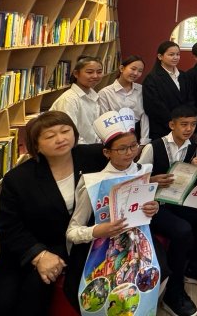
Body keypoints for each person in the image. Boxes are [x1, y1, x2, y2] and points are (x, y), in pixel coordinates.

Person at [0, 112, 107, 316]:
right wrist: (39, 255)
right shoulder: (19, 179)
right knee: (1, 299)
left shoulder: (95, 156)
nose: (60, 138)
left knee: (35, 289)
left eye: (65, 131)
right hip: (35, 243)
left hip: (82, 241)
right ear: (36, 145)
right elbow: (8, 226)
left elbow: (128, 160)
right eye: (50, 136)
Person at [64, 111, 161, 312]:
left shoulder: (142, 171)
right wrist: (97, 231)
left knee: (156, 275)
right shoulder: (94, 183)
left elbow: (144, 208)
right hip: (101, 247)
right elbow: (72, 232)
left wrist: (154, 207)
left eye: (134, 146)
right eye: (122, 148)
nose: (130, 153)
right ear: (107, 152)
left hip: (140, 240)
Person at [139, 104, 197, 298]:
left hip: (178, 199)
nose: (189, 129)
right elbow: (135, 181)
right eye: (184, 124)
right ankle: (174, 290)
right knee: (182, 230)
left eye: (193, 124)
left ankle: (195, 266)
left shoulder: (193, 147)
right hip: (155, 205)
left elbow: (189, 180)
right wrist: (152, 180)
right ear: (172, 125)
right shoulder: (153, 147)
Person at [142, 41, 194, 140]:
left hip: (185, 127)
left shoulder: (183, 75)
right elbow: (153, 107)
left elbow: (190, 99)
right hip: (163, 129)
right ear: (160, 56)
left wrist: (185, 121)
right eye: (171, 54)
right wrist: (175, 124)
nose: (175, 57)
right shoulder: (152, 78)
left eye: (178, 54)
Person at [50, 55, 103, 144]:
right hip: (76, 148)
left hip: (92, 145)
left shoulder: (94, 95)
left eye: (99, 72)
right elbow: (69, 133)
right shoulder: (69, 99)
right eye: (89, 72)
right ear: (76, 74)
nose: (95, 76)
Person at [97, 55, 149, 145]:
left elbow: (145, 116)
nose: (136, 73)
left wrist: (143, 142)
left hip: (138, 133)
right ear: (122, 68)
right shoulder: (105, 93)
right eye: (133, 69)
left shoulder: (141, 90)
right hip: (115, 135)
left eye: (140, 71)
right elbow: (104, 120)